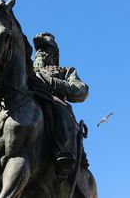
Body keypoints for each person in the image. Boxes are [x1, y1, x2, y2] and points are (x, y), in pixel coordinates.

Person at [33, 32, 89, 178]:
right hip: (28, 100)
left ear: (54, 54)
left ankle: (64, 155)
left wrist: (50, 81)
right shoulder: (24, 69)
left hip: (53, 102)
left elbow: (80, 91)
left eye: (45, 49)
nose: (41, 52)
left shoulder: (65, 71)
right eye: (39, 49)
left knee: (63, 109)